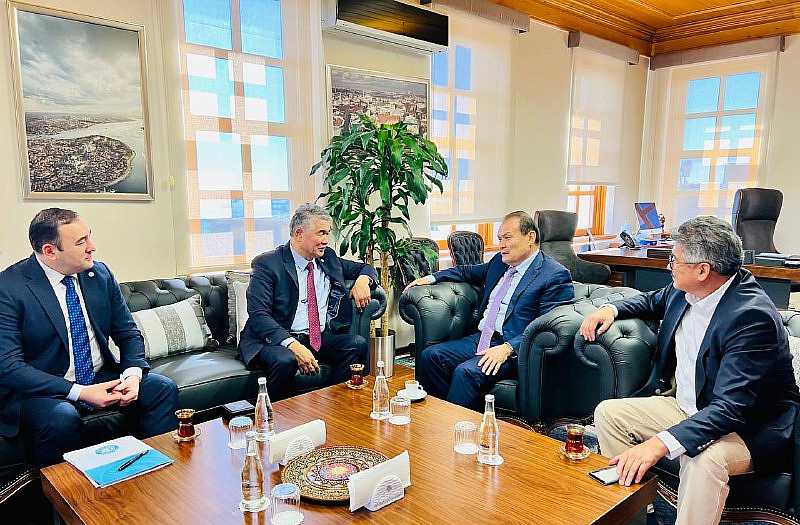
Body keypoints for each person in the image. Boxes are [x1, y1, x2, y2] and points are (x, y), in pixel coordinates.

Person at [580, 216, 800, 525]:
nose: (669, 265)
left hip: (749, 428)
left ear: (702, 270)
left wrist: (658, 444)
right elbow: (651, 300)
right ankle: (637, 510)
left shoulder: (751, 318)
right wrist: (609, 308)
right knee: (609, 414)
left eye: (674, 259)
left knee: (703, 459)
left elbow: (730, 409)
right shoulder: (689, 290)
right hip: (689, 407)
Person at [0, 209, 179, 467]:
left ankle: (157, 473)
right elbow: (9, 366)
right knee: (61, 418)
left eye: (89, 237)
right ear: (50, 251)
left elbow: (128, 333)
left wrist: (132, 375)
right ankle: (66, 491)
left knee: (161, 388)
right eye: (81, 242)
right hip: (44, 389)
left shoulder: (100, 274)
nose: (92, 247)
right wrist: (80, 392)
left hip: (99, 376)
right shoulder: (9, 287)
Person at [405, 211, 574, 409]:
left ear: (530, 237)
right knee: (430, 356)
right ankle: (437, 415)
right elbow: (466, 271)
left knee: (465, 372)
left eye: (507, 238)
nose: (501, 245)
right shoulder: (499, 263)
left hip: (513, 348)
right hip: (482, 337)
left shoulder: (554, 275)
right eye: (500, 239)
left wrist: (508, 348)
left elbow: (547, 327)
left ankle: (453, 425)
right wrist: (431, 278)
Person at [239, 203, 378, 401]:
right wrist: (293, 345)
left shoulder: (328, 257)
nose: (326, 240)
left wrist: (364, 280)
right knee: (286, 360)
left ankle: (337, 405)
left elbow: (365, 268)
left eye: (327, 233)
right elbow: (258, 315)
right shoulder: (268, 264)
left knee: (356, 344)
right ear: (299, 234)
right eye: (321, 233)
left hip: (316, 337)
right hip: (275, 340)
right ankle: (274, 415)